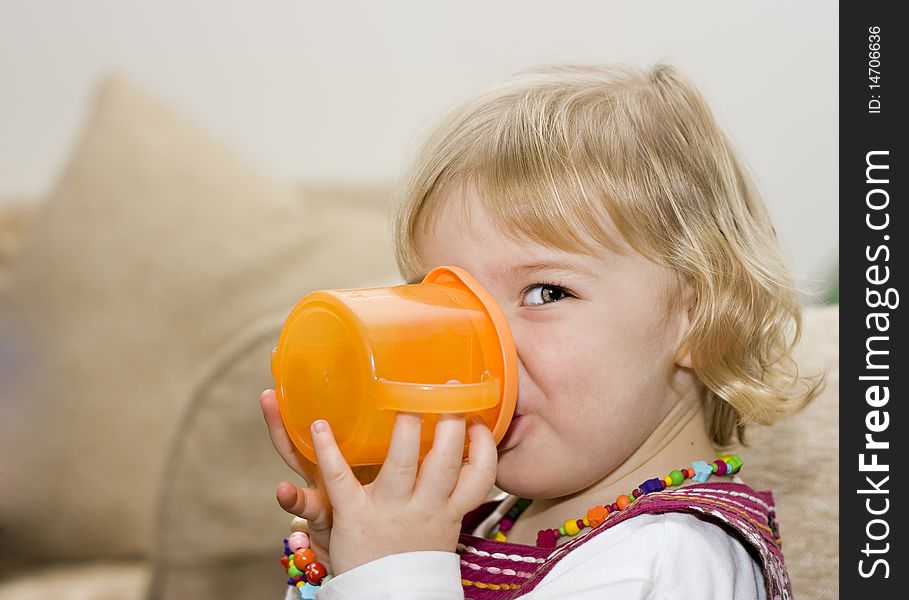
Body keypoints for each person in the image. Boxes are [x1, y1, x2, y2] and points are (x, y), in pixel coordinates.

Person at [260, 62, 821, 599]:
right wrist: (346, 562)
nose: (480, 342)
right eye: (448, 300)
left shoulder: (667, 561)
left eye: (546, 292)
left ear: (701, 319)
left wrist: (395, 573)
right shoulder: (494, 519)